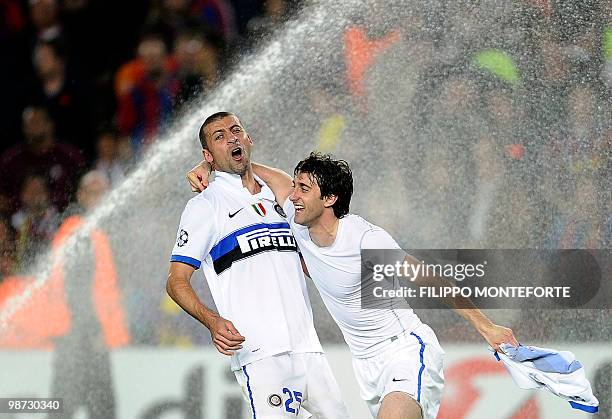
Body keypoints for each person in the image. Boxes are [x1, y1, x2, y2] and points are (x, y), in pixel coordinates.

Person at [188, 143, 519, 419]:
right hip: (365, 366)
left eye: (303, 189)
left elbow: (429, 279)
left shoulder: (363, 238)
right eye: (295, 187)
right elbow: (267, 177)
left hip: (404, 348)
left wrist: (485, 326)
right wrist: (214, 168)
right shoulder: (298, 220)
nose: (293, 195)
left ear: (329, 199)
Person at [167, 112, 349, 418]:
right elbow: (175, 281)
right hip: (261, 356)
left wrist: (217, 163)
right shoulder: (206, 205)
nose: (232, 137)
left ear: (248, 139)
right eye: (219, 137)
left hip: (308, 348)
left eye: (236, 130)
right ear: (207, 153)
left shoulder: (279, 195)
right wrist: (212, 321)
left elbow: (283, 181)